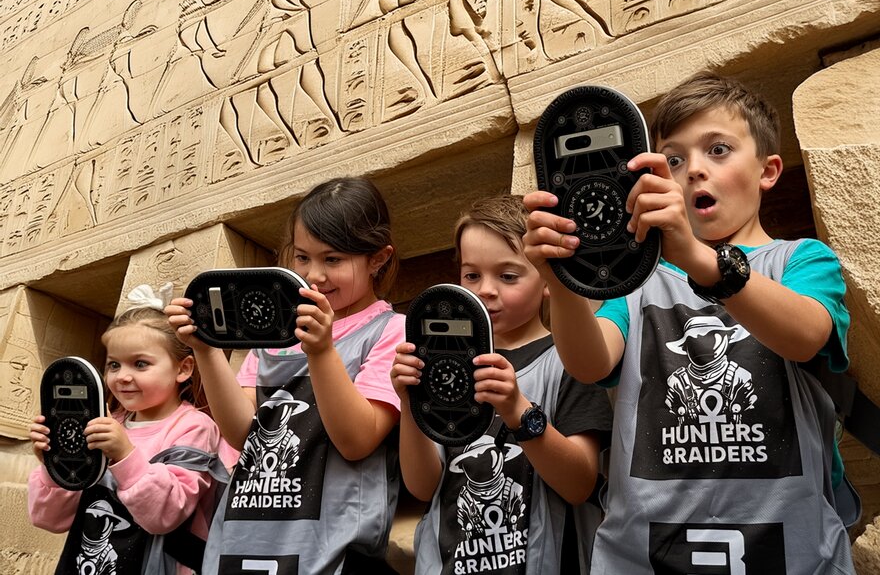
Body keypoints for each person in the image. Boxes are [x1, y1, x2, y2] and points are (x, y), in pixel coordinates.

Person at [523, 71, 855, 573]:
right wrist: (563, 281)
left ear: (768, 170)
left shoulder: (800, 260)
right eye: (673, 159)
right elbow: (591, 363)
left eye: (718, 150)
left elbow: (807, 335)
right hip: (644, 552)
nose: (693, 170)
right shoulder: (639, 279)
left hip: (789, 549)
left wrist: (700, 259)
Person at [165, 176, 405, 574]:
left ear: (378, 259)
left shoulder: (391, 330)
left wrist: (322, 351)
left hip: (331, 549)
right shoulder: (275, 336)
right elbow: (243, 431)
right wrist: (205, 350)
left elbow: (357, 441)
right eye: (302, 257)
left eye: (333, 260)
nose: (314, 275)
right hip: (244, 536)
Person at [391, 194, 613, 574]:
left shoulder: (571, 361)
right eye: (471, 275)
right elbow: (423, 486)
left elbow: (579, 483)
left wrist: (517, 410)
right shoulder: (445, 364)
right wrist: (410, 405)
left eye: (507, 276)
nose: (485, 290)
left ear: (546, 279)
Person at [28, 283, 226, 575]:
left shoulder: (194, 426)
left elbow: (165, 515)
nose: (122, 377)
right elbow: (49, 519)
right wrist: (56, 463)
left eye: (140, 364)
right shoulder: (108, 421)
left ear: (183, 369)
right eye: (114, 365)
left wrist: (124, 455)